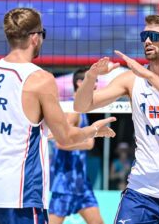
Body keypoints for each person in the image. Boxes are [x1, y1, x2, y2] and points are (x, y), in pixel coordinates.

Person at [0, 8, 116, 224]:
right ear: (34, 37)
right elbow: (65, 137)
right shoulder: (40, 79)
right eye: (43, 34)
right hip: (20, 194)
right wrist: (95, 129)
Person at [74, 14, 159, 223]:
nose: (147, 41)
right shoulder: (131, 79)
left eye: (154, 36)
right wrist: (92, 76)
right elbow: (81, 105)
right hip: (142, 188)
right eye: (144, 35)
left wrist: (149, 77)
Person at [49, 67, 104, 224]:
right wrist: (87, 143)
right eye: (94, 81)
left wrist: (88, 142)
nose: (96, 85)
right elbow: (60, 142)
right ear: (80, 83)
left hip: (80, 182)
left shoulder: (81, 108)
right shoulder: (73, 110)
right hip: (66, 181)